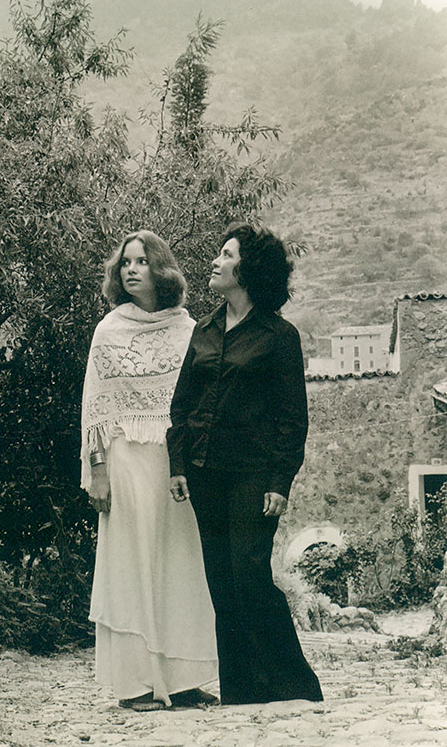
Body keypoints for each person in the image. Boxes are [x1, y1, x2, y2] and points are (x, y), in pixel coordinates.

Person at [167, 223, 323, 706]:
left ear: (249, 269)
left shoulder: (279, 336)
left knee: (249, 573)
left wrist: (280, 480)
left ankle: (293, 684)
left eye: (226, 254)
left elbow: (292, 418)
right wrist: (178, 465)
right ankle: (241, 690)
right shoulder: (204, 330)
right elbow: (182, 405)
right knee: (220, 578)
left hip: (254, 474)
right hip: (204, 471)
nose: (216, 261)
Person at [81, 230, 218, 711]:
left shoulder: (188, 329)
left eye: (141, 261)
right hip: (125, 459)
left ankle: (182, 679)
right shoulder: (108, 331)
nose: (131, 270)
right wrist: (98, 472)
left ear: (161, 269)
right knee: (131, 562)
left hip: (175, 462)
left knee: (180, 563)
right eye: (125, 263)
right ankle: (136, 684)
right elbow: (96, 410)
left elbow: (201, 400)